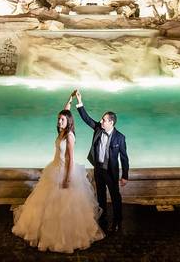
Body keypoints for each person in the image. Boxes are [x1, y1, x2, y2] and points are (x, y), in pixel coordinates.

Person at [12, 92, 104, 253]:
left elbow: (70, 159)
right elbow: (65, 111)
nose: (59, 121)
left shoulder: (69, 136)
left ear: (68, 122)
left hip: (65, 172)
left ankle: (63, 237)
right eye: (58, 119)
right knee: (46, 203)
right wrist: (70, 99)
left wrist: (67, 178)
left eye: (62, 119)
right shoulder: (61, 131)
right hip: (54, 168)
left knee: (64, 207)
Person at [75, 89, 130, 233]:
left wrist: (125, 176)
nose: (101, 121)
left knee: (115, 197)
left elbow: (124, 158)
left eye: (104, 120)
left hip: (111, 172)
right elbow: (87, 119)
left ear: (111, 122)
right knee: (100, 196)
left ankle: (117, 221)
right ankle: (102, 219)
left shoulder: (120, 138)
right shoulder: (98, 129)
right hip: (98, 169)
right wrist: (80, 103)